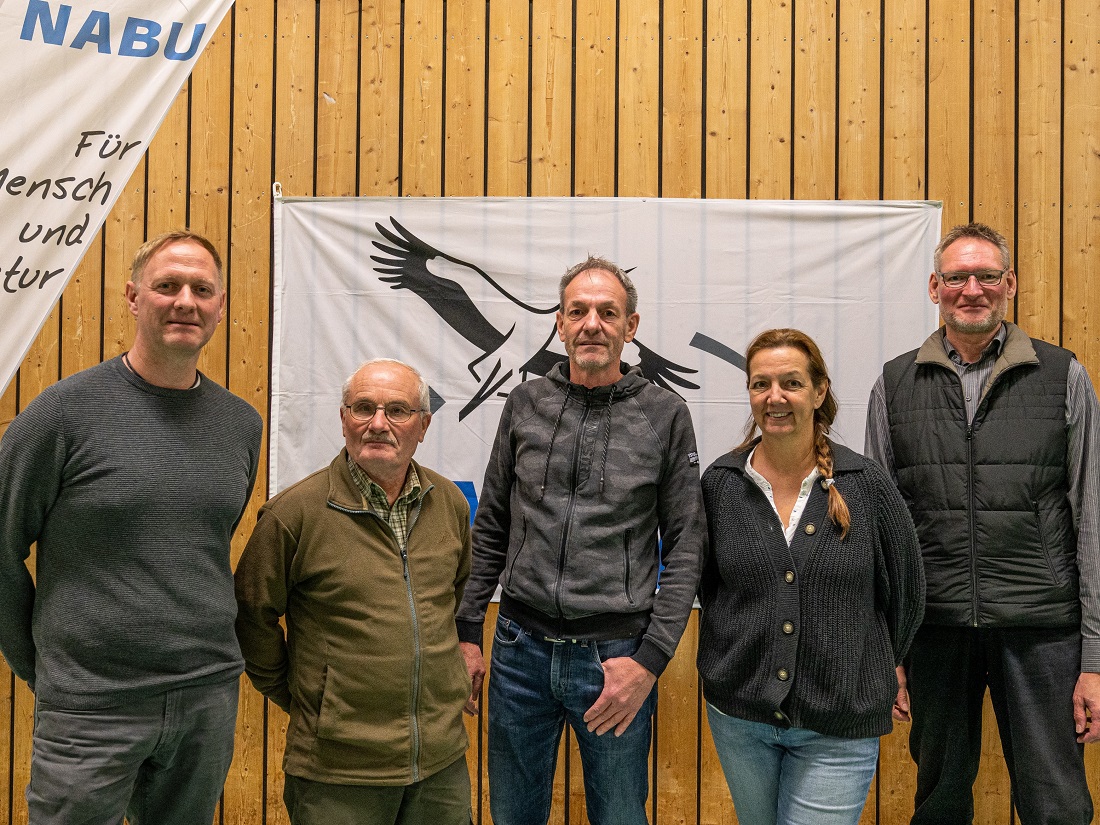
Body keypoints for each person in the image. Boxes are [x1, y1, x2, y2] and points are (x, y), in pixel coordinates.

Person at [0, 230, 263, 824]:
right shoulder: (63, 414)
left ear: (221, 306)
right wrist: (41, 664)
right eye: (167, 286)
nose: (185, 301)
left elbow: (203, 546)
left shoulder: (240, 424)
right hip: (90, 710)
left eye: (202, 289)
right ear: (133, 298)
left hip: (205, 701)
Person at [455, 256, 706, 825]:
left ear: (631, 326)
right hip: (520, 652)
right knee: (513, 815)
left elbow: (688, 544)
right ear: (561, 324)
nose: (592, 323)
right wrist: (469, 632)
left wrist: (650, 661)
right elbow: (492, 524)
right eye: (578, 311)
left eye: (607, 312)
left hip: (615, 659)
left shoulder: (665, 414)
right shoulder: (523, 405)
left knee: (619, 815)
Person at [865, 222, 1100, 824]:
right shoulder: (894, 385)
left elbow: (1093, 521)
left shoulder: (1062, 376)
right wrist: (888, 649)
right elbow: (881, 536)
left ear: (1010, 284)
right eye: (957, 277)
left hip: (1042, 625)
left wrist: (1096, 661)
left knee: (1057, 805)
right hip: (935, 628)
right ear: (934, 287)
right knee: (939, 801)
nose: (973, 289)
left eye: (987, 276)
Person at [698, 328, 924, 825]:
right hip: (741, 719)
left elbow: (907, 592)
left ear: (819, 392)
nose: (775, 397)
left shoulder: (865, 486)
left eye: (791, 383)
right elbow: (706, 590)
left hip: (839, 723)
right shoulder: (721, 485)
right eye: (761, 385)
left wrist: (882, 664)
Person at [234, 358, 473, 825]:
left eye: (398, 411)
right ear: (344, 419)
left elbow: (455, 596)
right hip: (337, 772)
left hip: (440, 766)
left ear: (423, 425)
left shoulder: (449, 502)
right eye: (363, 408)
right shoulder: (294, 514)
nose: (378, 424)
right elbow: (250, 616)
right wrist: (312, 700)